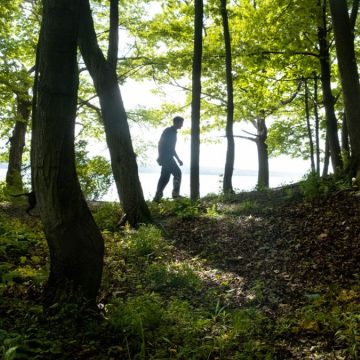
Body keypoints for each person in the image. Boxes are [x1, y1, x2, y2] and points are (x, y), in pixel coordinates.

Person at [153, 116, 184, 202]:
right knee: (177, 173)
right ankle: (175, 194)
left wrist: (178, 159)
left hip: (168, 156)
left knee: (165, 177)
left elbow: (172, 149)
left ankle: (157, 197)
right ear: (176, 122)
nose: (182, 125)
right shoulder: (168, 131)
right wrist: (160, 157)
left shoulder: (174, 132)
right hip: (166, 157)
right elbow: (160, 143)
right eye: (181, 123)